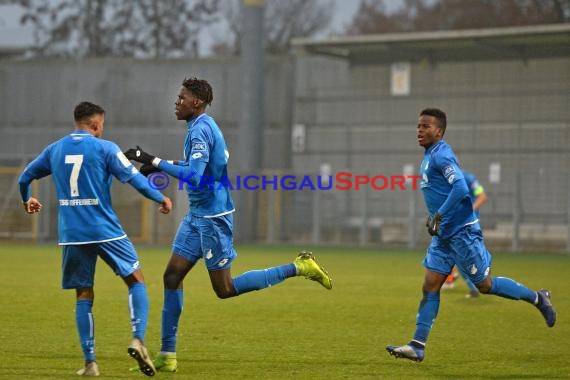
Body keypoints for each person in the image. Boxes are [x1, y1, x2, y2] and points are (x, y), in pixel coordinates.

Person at [124, 77, 332, 373]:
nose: (176, 101)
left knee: (224, 289)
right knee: (172, 277)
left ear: (196, 102)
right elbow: (199, 169)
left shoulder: (201, 131)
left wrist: (153, 160)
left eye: (181, 97)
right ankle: (167, 355)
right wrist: (160, 163)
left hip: (213, 220)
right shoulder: (199, 127)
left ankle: (299, 267)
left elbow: (196, 178)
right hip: (197, 216)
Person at [386, 108, 556, 362]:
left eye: (425, 126)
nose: (419, 130)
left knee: (485, 285)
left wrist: (440, 213)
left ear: (439, 131)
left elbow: (461, 188)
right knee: (430, 286)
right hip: (443, 237)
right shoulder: (429, 155)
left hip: (462, 234)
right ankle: (417, 345)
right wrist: (437, 218)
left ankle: (538, 298)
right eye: (418, 126)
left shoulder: (441, 155)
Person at [18, 101, 173, 377]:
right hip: (104, 229)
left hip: (72, 234)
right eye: (102, 124)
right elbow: (135, 179)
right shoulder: (105, 148)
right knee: (135, 279)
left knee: (83, 294)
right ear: (96, 123)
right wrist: (160, 197)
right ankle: (138, 338)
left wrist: (27, 198)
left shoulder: (55, 149)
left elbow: (25, 177)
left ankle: (90, 363)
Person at [442, 169, 488, 297]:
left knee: (461, 256)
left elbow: (482, 196)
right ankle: (456, 277)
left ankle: (474, 284)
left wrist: (469, 210)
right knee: (455, 254)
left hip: (468, 225)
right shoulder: (448, 182)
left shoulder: (468, 179)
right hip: (456, 224)